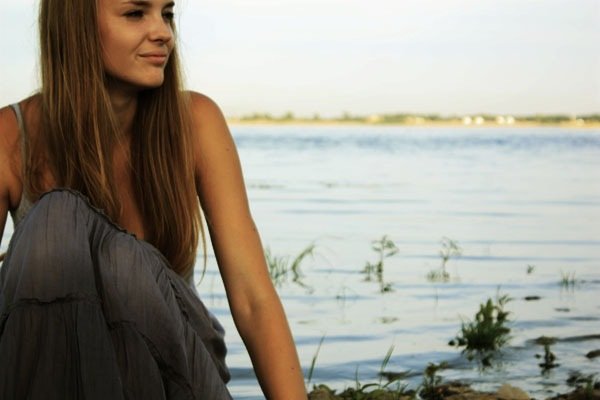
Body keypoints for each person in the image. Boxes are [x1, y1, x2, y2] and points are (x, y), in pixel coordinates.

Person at [0, 0, 307, 398]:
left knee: (109, 249)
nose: (163, 32)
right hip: (55, 376)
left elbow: (253, 298)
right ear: (75, 25)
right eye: (135, 14)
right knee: (58, 220)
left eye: (167, 14)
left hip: (177, 378)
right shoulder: (11, 136)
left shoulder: (195, 121)